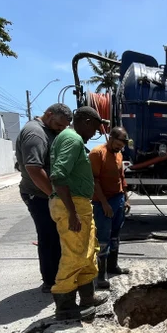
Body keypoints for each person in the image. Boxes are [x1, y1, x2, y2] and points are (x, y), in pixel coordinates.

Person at [49, 106, 110, 320]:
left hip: (80, 204)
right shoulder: (72, 140)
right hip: (72, 206)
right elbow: (58, 176)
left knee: (89, 251)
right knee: (74, 255)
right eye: (94, 126)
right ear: (84, 121)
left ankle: (87, 297)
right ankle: (65, 306)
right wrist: (72, 213)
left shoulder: (72, 139)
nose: (95, 132)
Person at [16, 103, 73, 294]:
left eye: (64, 127)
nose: (61, 130)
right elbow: (33, 168)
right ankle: (50, 281)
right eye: (59, 125)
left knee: (55, 236)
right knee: (48, 236)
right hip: (39, 195)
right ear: (49, 114)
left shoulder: (47, 130)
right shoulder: (35, 133)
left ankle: (57, 277)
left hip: (46, 194)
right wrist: (54, 195)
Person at [90, 126, 130, 289]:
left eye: (122, 146)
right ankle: (101, 275)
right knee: (103, 238)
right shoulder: (97, 153)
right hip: (102, 202)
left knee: (115, 236)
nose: (120, 148)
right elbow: (94, 180)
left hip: (118, 200)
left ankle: (113, 266)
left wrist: (125, 199)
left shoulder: (119, 155)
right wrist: (104, 203)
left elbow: (122, 177)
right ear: (111, 138)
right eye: (119, 144)